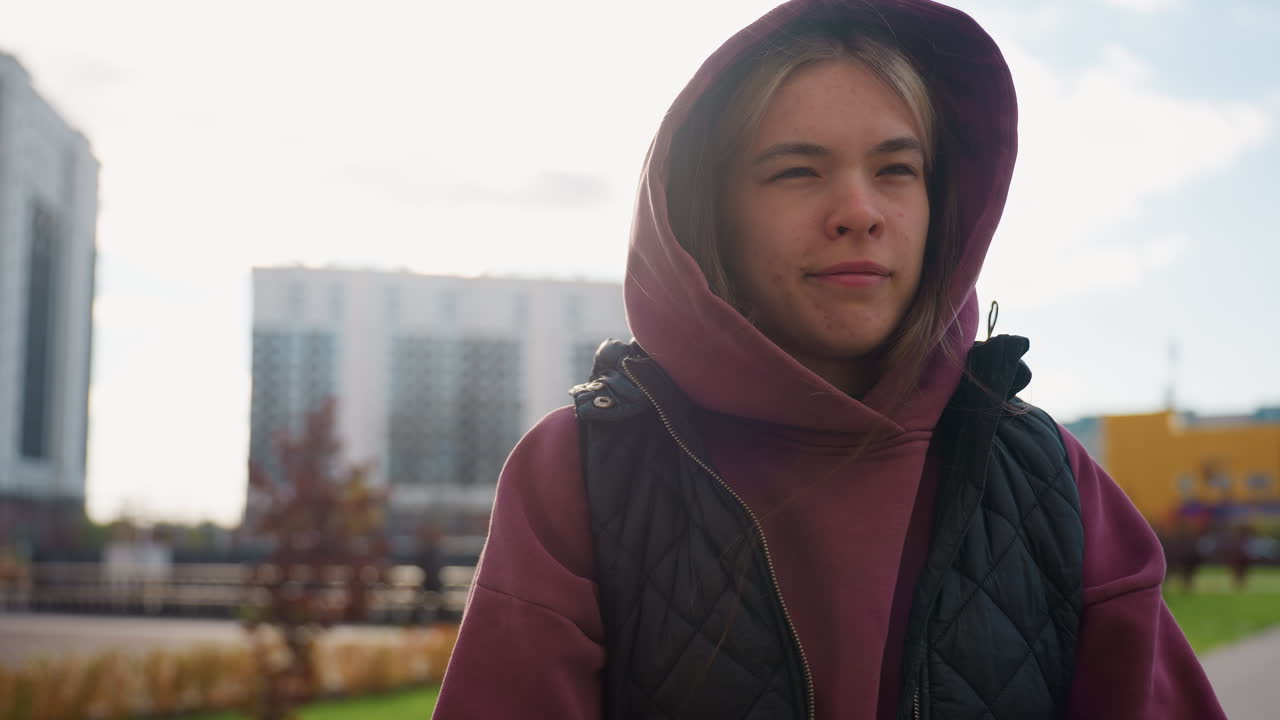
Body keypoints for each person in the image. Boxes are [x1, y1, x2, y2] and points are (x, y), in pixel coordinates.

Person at [432, 0, 1226, 717]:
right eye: (797, 171)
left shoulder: (1051, 478)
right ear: (711, 213)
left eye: (895, 169)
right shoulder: (580, 468)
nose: (858, 211)